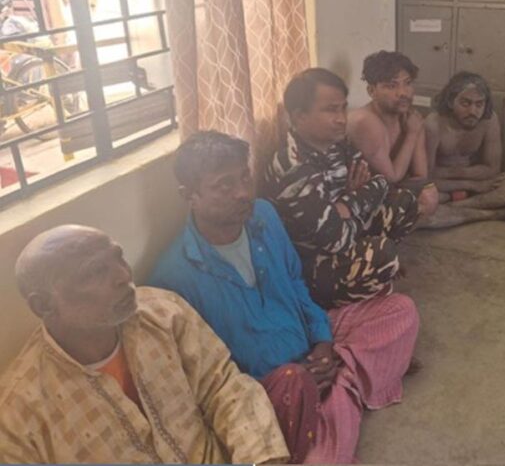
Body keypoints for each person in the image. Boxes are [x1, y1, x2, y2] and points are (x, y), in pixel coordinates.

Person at [150, 130, 419, 464]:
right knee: (315, 439)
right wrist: (292, 377)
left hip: (310, 343)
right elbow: (207, 378)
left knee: (398, 311)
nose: (243, 193)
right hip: (270, 388)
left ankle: (339, 380)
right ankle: (347, 383)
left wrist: (323, 341)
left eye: (244, 177)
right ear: (189, 195)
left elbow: (296, 283)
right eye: (224, 185)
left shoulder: (263, 215)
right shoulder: (172, 279)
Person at [0, 225, 288, 464]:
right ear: (43, 305)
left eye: (118, 257)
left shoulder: (164, 313)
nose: (124, 276)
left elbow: (224, 388)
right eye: (95, 272)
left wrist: (261, 460)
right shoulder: (18, 411)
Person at [262, 67, 419, 309]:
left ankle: (374, 268)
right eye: (330, 110)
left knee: (404, 202)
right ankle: (348, 297)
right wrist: (354, 201)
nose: (342, 119)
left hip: (340, 231)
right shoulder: (294, 167)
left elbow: (380, 183)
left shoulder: (336, 144)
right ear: (299, 116)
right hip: (311, 265)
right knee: (382, 253)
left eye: (343, 108)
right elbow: (336, 240)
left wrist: (344, 205)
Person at [421, 71, 505, 228]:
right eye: (465, 103)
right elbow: (426, 176)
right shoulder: (433, 124)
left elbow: (492, 169)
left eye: (479, 104)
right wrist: (469, 185)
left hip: (479, 184)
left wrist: (471, 181)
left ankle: (455, 208)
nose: (473, 111)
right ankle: (493, 214)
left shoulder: (489, 120)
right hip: (443, 187)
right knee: (422, 205)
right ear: (451, 101)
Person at [348, 50, 439, 217]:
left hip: (388, 189)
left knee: (429, 196)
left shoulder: (410, 118)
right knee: (427, 202)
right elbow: (392, 177)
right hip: (355, 196)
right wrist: (411, 134)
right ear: (371, 91)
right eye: (391, 86)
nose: (403, 92)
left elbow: (420, 175)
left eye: (407, 83)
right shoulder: (365, 121)